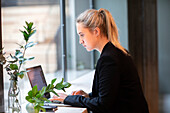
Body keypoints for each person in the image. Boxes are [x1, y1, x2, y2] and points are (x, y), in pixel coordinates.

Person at [50, 8, 149, 113]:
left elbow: (102, 104)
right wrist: (87, 95)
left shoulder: (109, 59)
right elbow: (111, 93)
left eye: (82, 35)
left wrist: (68, 99)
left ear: (96, 31)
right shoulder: (116, 52)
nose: (80, 41)